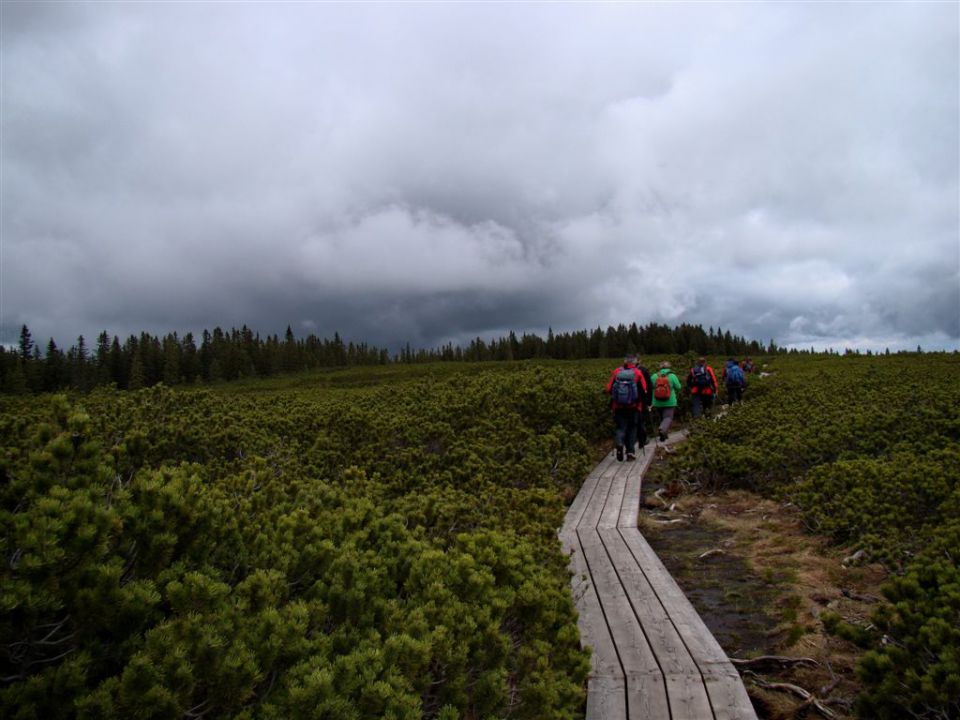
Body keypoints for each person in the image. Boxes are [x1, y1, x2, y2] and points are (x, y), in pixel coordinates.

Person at [604, 354, 648, 461]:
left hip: (618, 407)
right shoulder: (638, 373)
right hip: (634, 407)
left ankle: (619, 443)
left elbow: (608, 388)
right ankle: (630, 453)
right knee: (632, 428)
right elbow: (644, 390)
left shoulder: (617, 372)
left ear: (625, 362)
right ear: (635, 362)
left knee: (621, 427)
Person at [650, 360, 682, 441]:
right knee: (668, 417)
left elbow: (649, 387)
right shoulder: (672, 376)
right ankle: (662, 430)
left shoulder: (654, 376)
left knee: (662, 418)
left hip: (657, 402)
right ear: (669, 367)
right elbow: (678, 387)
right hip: (670, 401)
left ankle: (664, 435)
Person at [634, 356, 654, 448]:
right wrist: (649, 401)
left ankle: (633, 439)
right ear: (639, 361)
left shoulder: (623, 371)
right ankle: (642, 439)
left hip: (627, 402)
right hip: (641, 400)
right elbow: (649, 387)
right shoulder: (644, 370)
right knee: (641, 420)